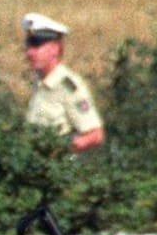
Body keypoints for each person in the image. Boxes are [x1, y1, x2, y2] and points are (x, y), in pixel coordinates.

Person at [22, 12, 105, 152]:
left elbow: (95, 135)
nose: (30, 52)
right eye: (29, 45)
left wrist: (60, 154)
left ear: (55, 48)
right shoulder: (39, 81)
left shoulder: (68, 87)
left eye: (37, 46)